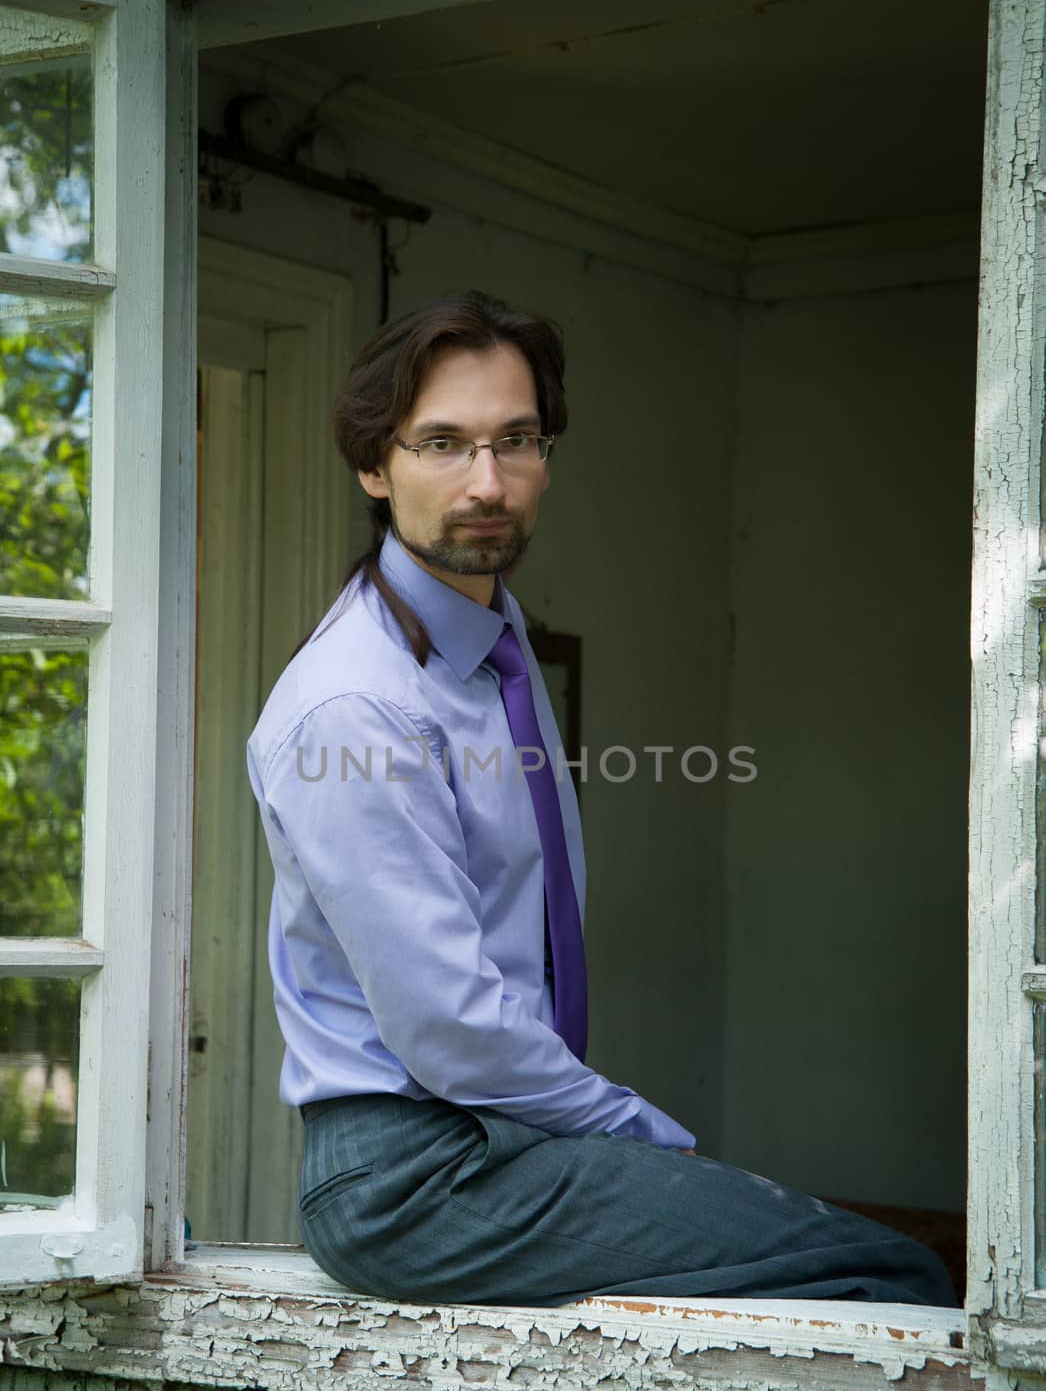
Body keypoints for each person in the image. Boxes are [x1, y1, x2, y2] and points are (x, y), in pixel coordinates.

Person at [245, 289, 957, 1310]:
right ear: (373, 464)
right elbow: (448, 1029)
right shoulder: (356, 705)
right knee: (891, 1271)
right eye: (442, 443)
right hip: (413, 1176)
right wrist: (644, 1133)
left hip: (497, 1140)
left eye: (516, 440)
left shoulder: (494, 643)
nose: (486, 482)